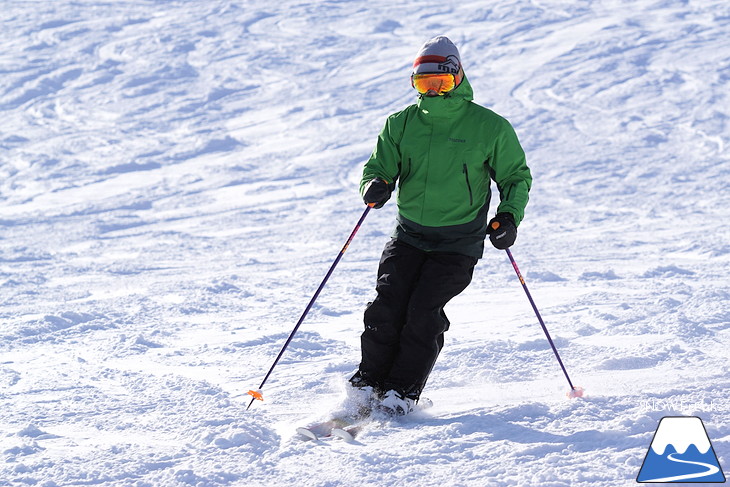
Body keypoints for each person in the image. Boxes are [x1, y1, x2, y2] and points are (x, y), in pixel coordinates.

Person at [348, 36, 532, 415]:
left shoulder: (489, 126)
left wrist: (509, 215)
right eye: (423, 84)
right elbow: (378, 167)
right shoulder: (401, 123)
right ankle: (368, 383)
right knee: (386, 307)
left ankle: (401, 391)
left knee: (423, 313)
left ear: (458, 77)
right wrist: (376, 185)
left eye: (441, 83)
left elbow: (515, 177)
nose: (432, 92)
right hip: (409, 234)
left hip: (457, 240)